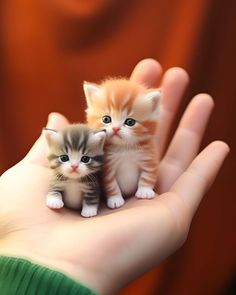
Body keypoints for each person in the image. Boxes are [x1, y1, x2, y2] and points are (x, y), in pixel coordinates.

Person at [0, 59, 229, 295]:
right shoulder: (100, 149)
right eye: (107, 120)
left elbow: (148, 167)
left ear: (151, 115)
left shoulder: (144, 148)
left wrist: (146, 185)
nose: (117, 129)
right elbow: (104, 175)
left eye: (129, 122)